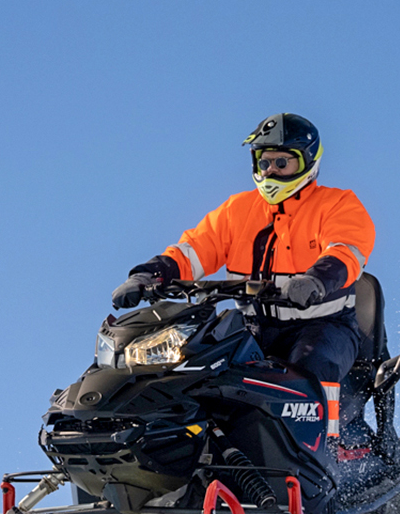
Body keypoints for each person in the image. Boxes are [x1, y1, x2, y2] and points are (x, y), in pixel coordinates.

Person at [110, 113, 375, 391]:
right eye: (264, 161)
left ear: (308, 161)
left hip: (322, 328)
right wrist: (146, 276)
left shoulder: (337, 205)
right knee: (198, 373)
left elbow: (345, 251)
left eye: (282, 162)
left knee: (309, 376)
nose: (271, 170)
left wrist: (316, 280)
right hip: (252, 328)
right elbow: (193, 250)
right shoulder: (237, 210)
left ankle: (329, 435)